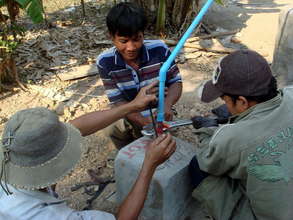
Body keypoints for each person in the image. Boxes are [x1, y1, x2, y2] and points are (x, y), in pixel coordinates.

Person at [0, 81, 177, 220]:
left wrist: (131, 106)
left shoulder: (14, 150)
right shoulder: (48, 216)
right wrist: (149, 166)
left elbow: (76, 127)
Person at [189, 49, 293, 220]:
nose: (224, 103)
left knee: (197, 166)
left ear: (242, 101)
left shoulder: (233, 137)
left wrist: (206, 131)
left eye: (225, 100)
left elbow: (208, 160)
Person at [97, 2, 182, 149]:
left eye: (137, 39)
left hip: (159, 109)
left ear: (143, 34)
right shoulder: (105, 62)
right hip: (128, 110)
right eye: (123, 41)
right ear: (111, 37)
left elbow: (176, 82)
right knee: (112, 126)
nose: (131, 47)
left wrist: (166, 106)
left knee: (163, 143)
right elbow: (117, 101)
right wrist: (142, 121)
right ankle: (125, 150)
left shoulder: (160, 50)